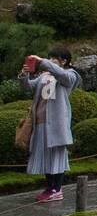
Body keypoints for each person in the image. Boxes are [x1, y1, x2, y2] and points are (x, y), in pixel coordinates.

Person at [18, 47, 81, 202]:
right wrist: (24, 75)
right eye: (50, 57)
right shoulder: (44, 75)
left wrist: (42, 62)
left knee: (57, 157)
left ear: (64, 61)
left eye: (54, 58)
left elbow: (61, 75)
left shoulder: (70, 75)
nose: (50, 60)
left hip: (56, 124)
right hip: (40, 123)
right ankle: (49, 187)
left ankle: (56, 189)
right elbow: (27, 87)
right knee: (46, 157)